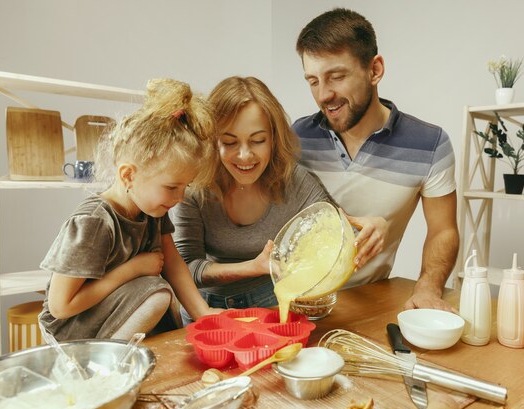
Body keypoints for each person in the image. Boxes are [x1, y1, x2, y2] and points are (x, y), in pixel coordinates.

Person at [171, 76, 384, 323]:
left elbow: (338, 233)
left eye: (258, 140)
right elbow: (186, 269)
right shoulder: (194, 187)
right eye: (229, 142)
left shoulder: (294, 181)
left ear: (274, 138)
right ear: (212, 141)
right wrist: (252, 267)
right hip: (204, 308)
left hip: (270, 303)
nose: (244, 155)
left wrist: (376, 226)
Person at [293, 8, 459, 312]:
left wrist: (428, 288)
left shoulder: (431, 144)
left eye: (336, 77)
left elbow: (443, 230)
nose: (323, 95)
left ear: (375, 70)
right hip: (299, 302)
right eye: (313, 81)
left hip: (370, 303)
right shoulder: (295, 139)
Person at [38, 79, 222, 341]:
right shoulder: (94, 222)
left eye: (186, 187)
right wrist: (131, 269)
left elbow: (172, 262)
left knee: (161, 293)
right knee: (156, 292)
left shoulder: (151, 211)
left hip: (114, 314)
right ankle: (104, 368)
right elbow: (60, 306)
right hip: (71, 333)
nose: (180, 198)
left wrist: (202, 312)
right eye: (172, 187)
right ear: (128, 175)